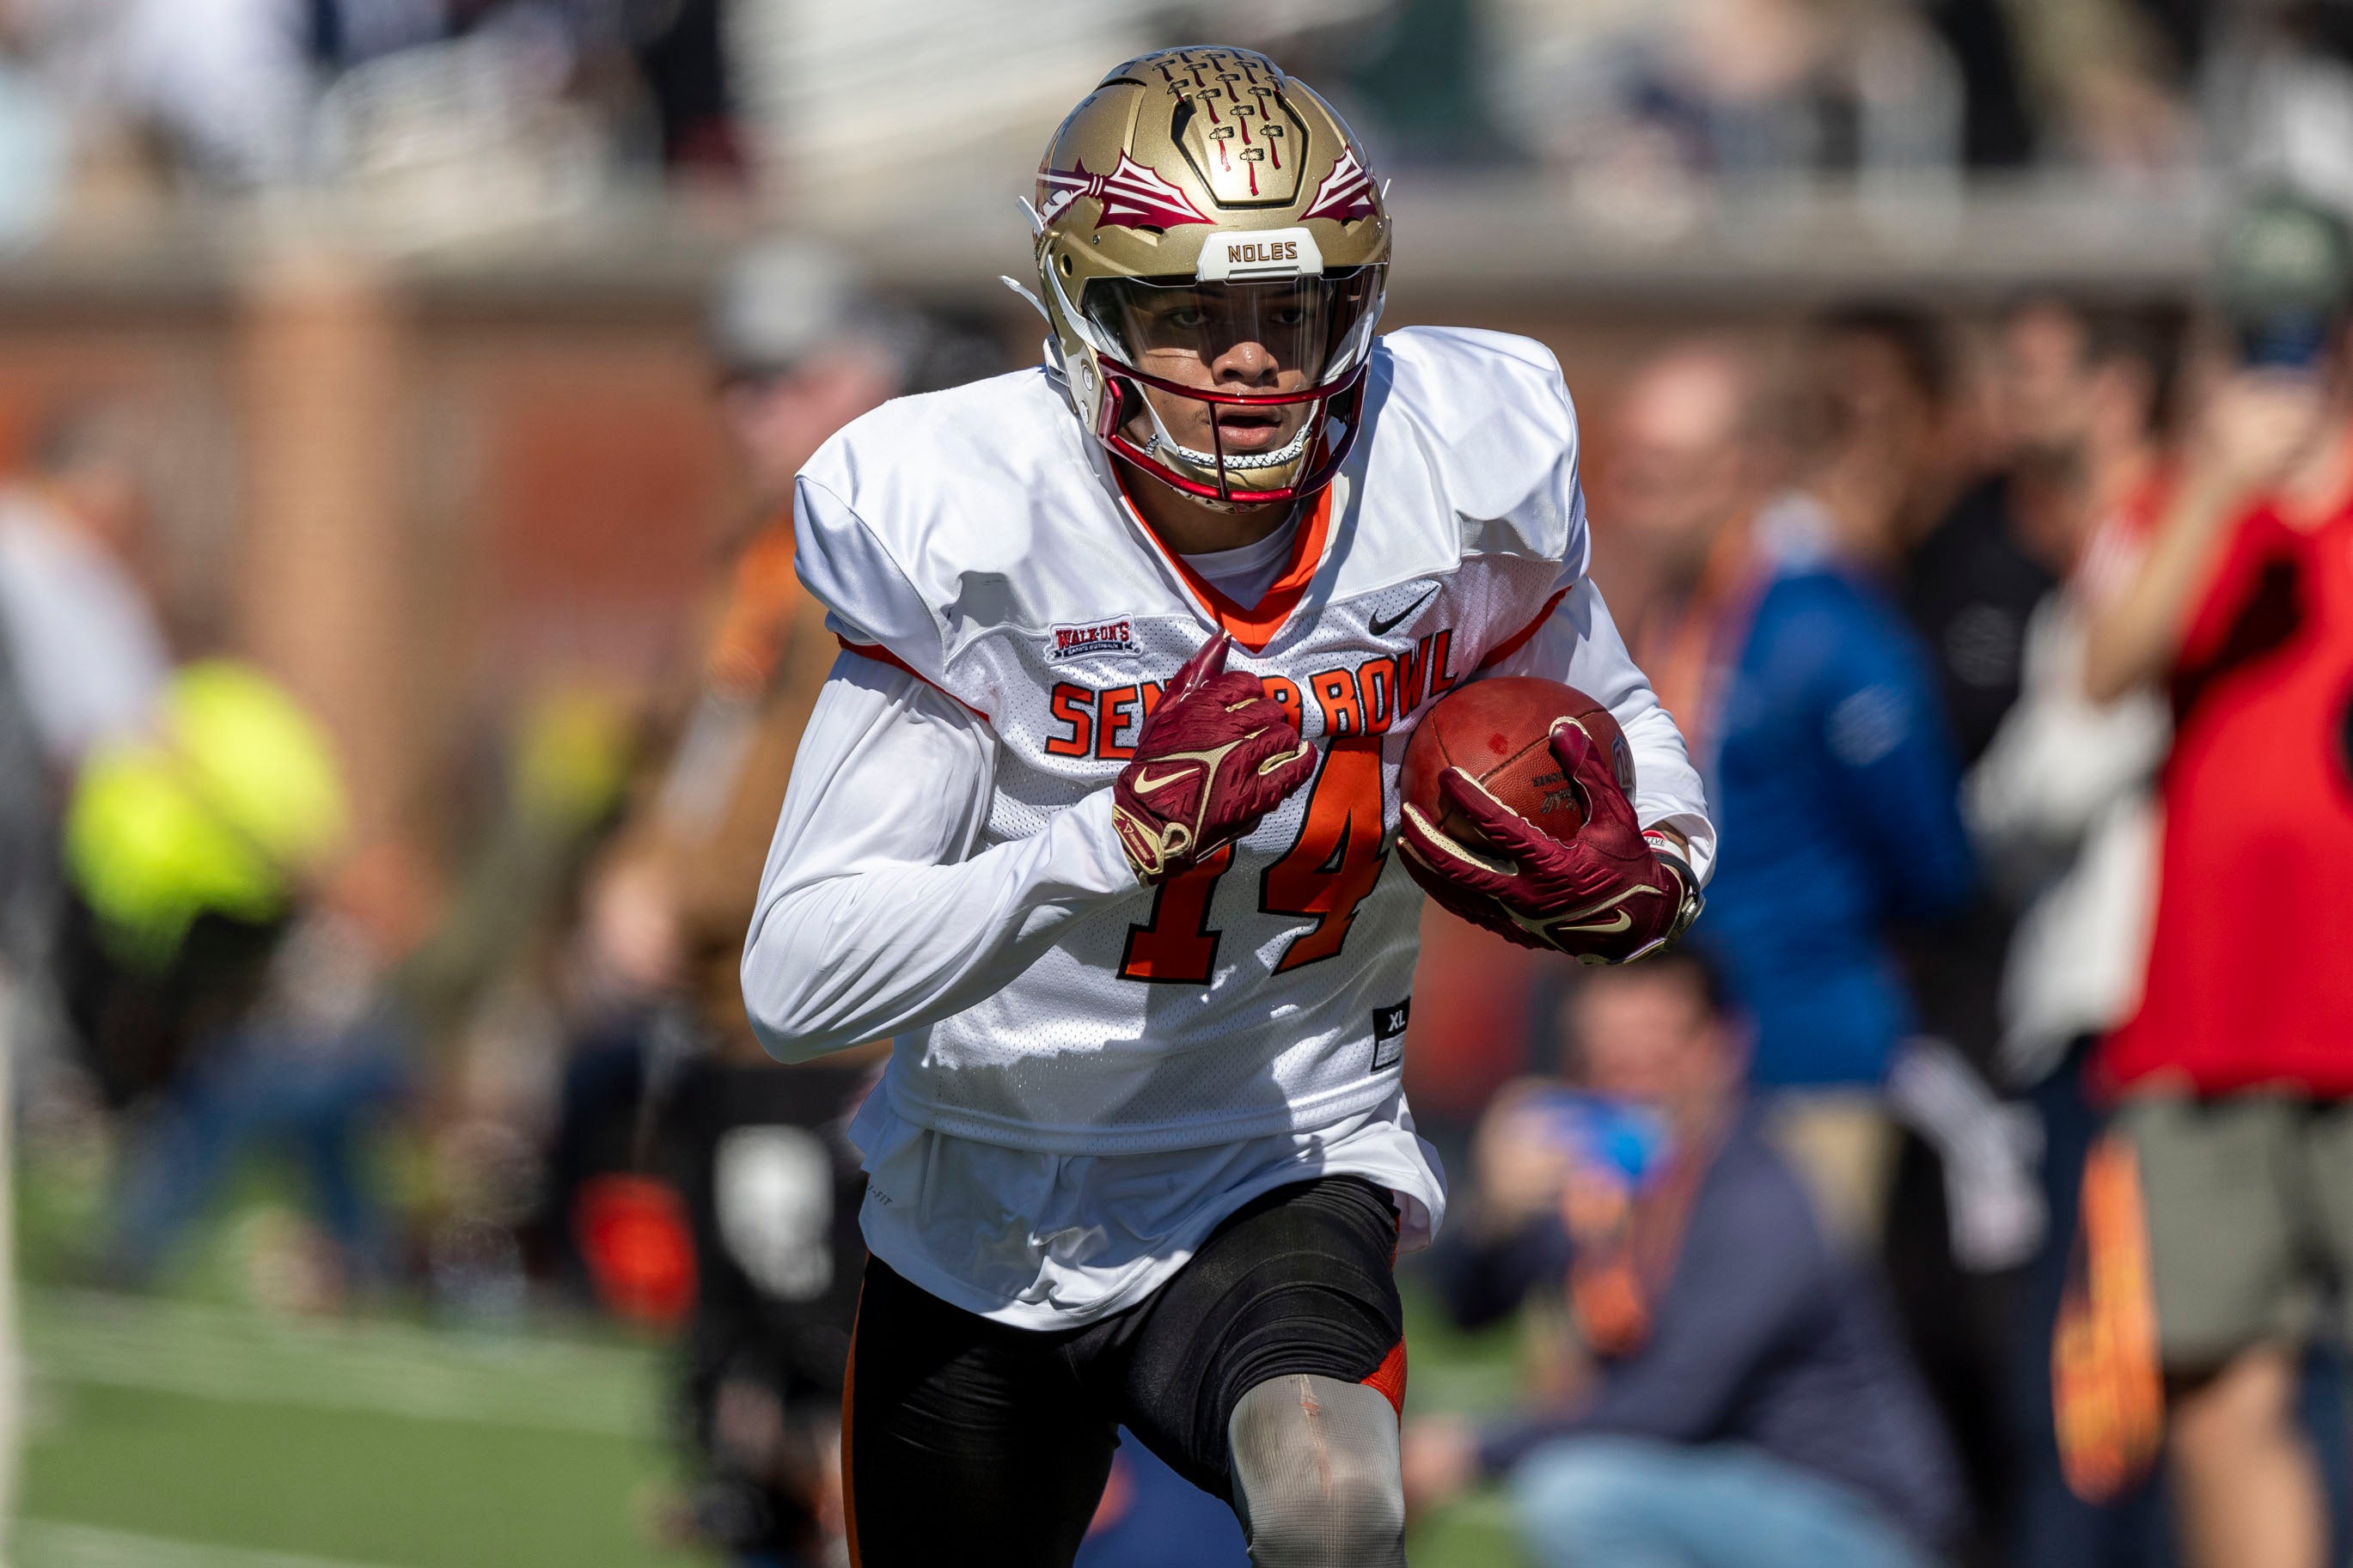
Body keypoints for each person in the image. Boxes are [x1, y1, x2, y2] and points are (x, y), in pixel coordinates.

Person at [739, 46, 1714, 1568]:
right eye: (1192, 315)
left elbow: (1623, 716)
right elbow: (796, 981)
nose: (1250, 360)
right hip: (990, 1195)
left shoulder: (1448, 473)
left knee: (1333, 1512)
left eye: (1289, 309)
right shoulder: (975, 533)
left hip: (1281, 1148)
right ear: (1085, 311)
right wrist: (1103, 841)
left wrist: (1660, 854)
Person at [2073, 189, 2353, 1568]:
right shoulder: (2175, 502)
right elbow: (2106, 667)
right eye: (2251, 329)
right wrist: (2223, 487)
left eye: (2300, 325)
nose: (2278, 355)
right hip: (2209, 1004)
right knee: (2216, 1378)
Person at [1400, 951, 1965, 1568]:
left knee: (1579, 1496)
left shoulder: (1765, 1198)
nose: (1633, 1081)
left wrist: (1468, 1449)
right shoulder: (1610, 1185)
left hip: (1856, 1522)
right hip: (1716, 1495)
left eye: (1657, 1052)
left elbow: (1668, 1404)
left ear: (1726, 1046)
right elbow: (1462, 1312)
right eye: (1607, 1058)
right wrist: (1495, 1215)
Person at [1617, 339, 1972, 1247]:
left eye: (1664, 473)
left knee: (1792, 1344)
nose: (1633, 500)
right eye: (1626, 469)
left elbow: (1927, 856)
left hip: (1809, 1053)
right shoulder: (1673, 609)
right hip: (1684, 1065)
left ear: (1740, 467)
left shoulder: (1820, 622)